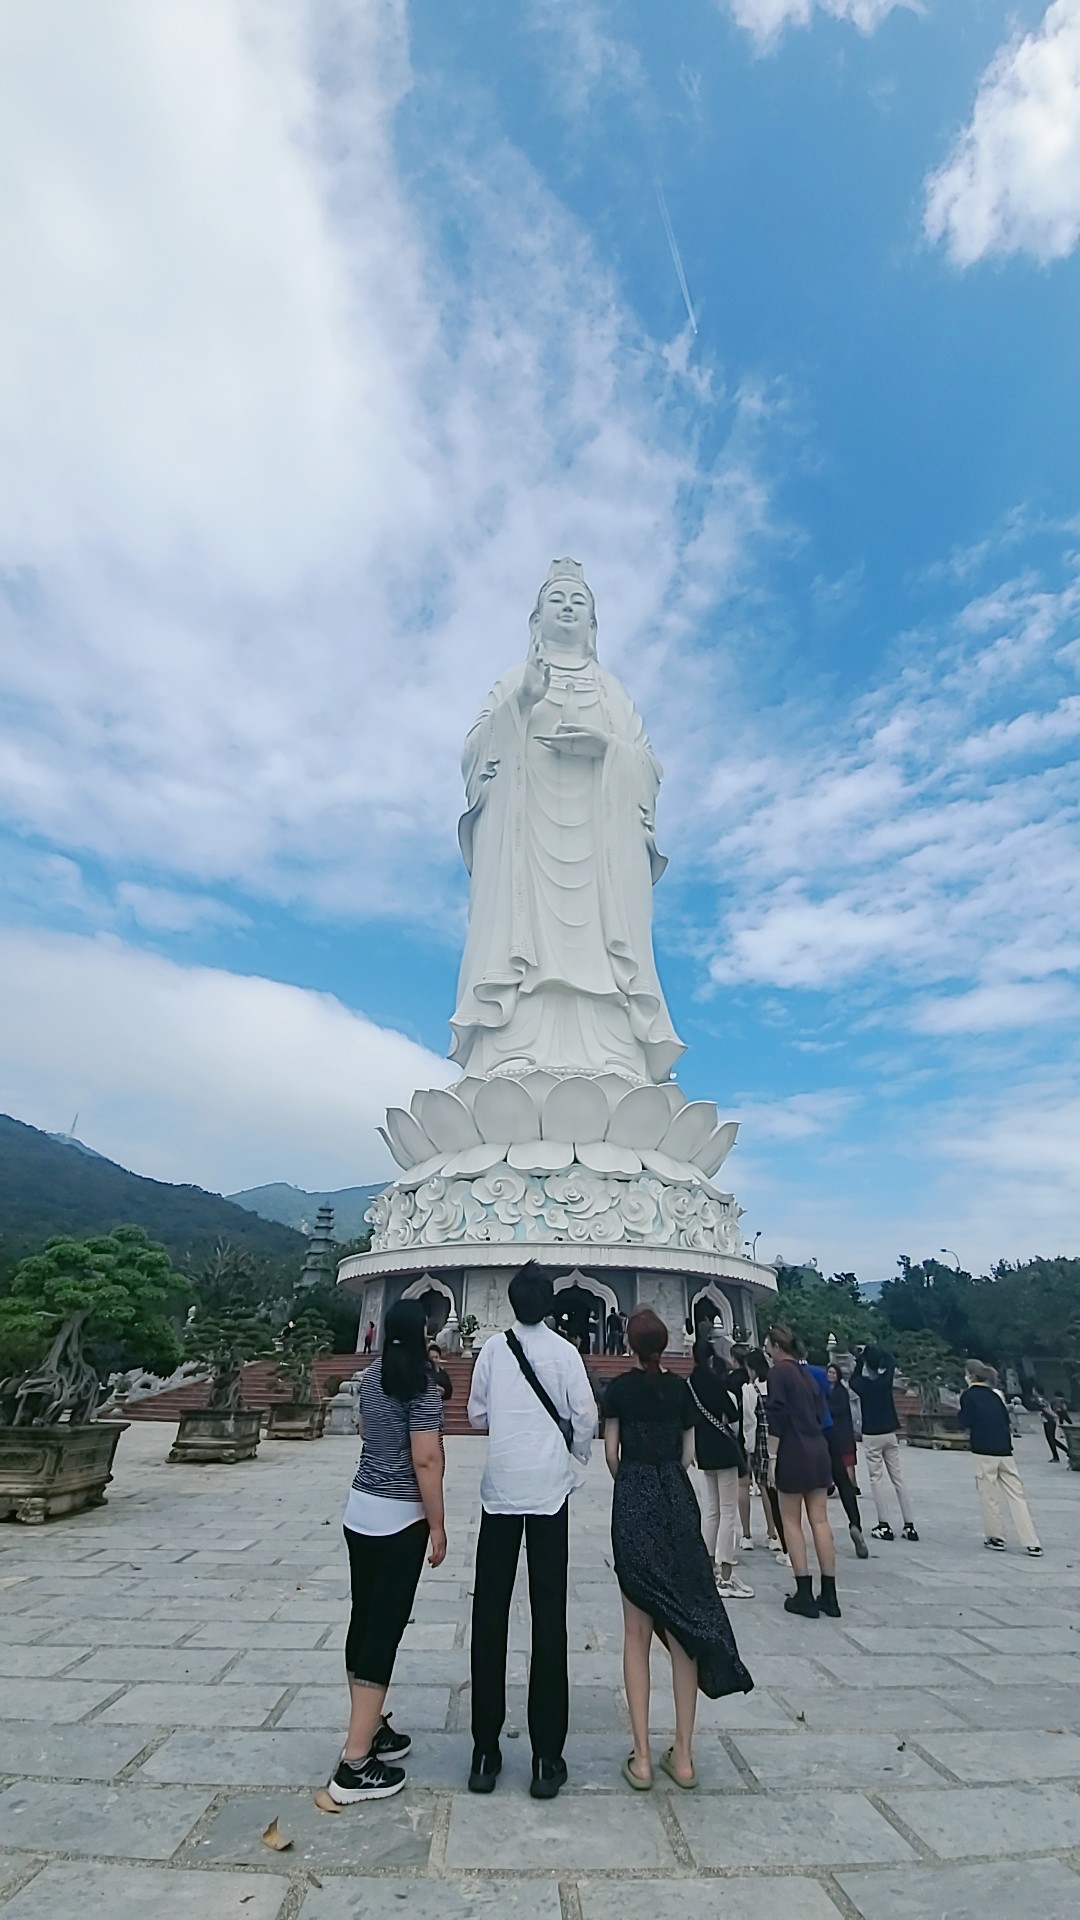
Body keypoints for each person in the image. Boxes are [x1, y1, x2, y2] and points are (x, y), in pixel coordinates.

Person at [605, 1307, 753, 1791]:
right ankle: (684, 1756)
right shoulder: (681, 1390)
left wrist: (634, 1479)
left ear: (628, 1344)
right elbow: (688, 1455)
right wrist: (665, 1473)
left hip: (634, 1501)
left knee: (636, 1633)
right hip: (677, 1500)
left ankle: (643, 1758)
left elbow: (611, 1454)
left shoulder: (619, 1390)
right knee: (683, 1624)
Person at [467, 1260, 597, 1800]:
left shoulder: (492, 1351)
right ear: (550, 1304)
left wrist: (510, 1427)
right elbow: (585, 1417)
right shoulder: (565, 1353)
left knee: (489, 1616)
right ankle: (546, 1757)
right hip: (548, 1493)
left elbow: (476, 1416)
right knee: (549, 1619)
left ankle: (484, 1752)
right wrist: (574, 1453)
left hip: (501, 1490)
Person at [329, 1299, 446, 1804]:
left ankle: (370, 1725)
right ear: (422, 1334)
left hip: (361, 1509)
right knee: (385, 1629)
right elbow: (426, 1458)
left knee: (364, 1619)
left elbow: (364, 1431)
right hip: (401, 1517)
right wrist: (437, 1524)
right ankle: (354, 1763)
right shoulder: (421, 1384)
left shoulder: (372, 1377)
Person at [765, 1325, 840, 1619]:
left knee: (791, 1521)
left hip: (793, 1449)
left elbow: (777, 1416)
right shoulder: (808, 1374)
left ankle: (804, 1592)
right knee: (820, 1520)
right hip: (818, 1447)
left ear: (776, 1346)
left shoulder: (778, 1373)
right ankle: (830, 1593)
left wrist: (772, 1457)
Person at [688, 1338, 752, 1599]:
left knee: (711, 1511)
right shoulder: (715, 1381)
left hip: (702, 1448)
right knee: (727, 1512)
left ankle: (707, 1568)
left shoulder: (689, 1383)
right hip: (723, 1449)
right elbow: (733, 1414)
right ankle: (725, 1574)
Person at [958, 1360, 1043, 1556]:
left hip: (983, 1450)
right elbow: (1005, 1420)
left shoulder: (969, 1395)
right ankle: (1031, 1541)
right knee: (1017, 1496)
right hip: (1004, 1450)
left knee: (989, 1495)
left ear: (970, 1376)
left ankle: (996, 1536)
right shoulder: (995, 1396)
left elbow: (965, 1421)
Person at [850, 1345, 919, 1543]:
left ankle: (884, 1523)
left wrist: (860, 1358)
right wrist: (875, 1351)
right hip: (890, 1432)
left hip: (871, 1434)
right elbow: (890, 1361)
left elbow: (853, 1379)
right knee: (898, 1478)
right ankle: (909, 1525)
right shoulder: (885, 1381)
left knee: (876, 1479)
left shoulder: (863, 1385)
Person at [824, 1361, 868, 1560]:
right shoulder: (833, 1390)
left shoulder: (839, 1392)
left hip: (827, 1439)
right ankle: (855, 1523)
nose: (830, 1375)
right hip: (836, 1441)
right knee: (843, 1482)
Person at [746, 1349, 786, 1558]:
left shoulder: (751, 1389)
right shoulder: (774, 1384)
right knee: (780, 1489)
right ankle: (781, 1532)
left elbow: (750, 1423)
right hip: (780, 1438)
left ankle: (773, 1532)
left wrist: (748, 1448)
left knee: (765, 1488)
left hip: (761, 1440)